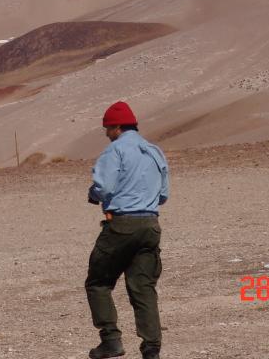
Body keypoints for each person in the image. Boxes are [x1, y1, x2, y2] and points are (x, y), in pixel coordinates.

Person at [85, 100, 169, 359]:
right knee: (143, 287)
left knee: (98, 282)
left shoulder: (115, 151)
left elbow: (104, 187)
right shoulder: (155, 151)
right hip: (150, 224)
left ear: (117, 127)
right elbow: (163, 195)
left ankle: (111, 340)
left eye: (108, 129)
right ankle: (152, 349)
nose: (107, 134)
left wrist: (93, 194)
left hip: (121, 224)